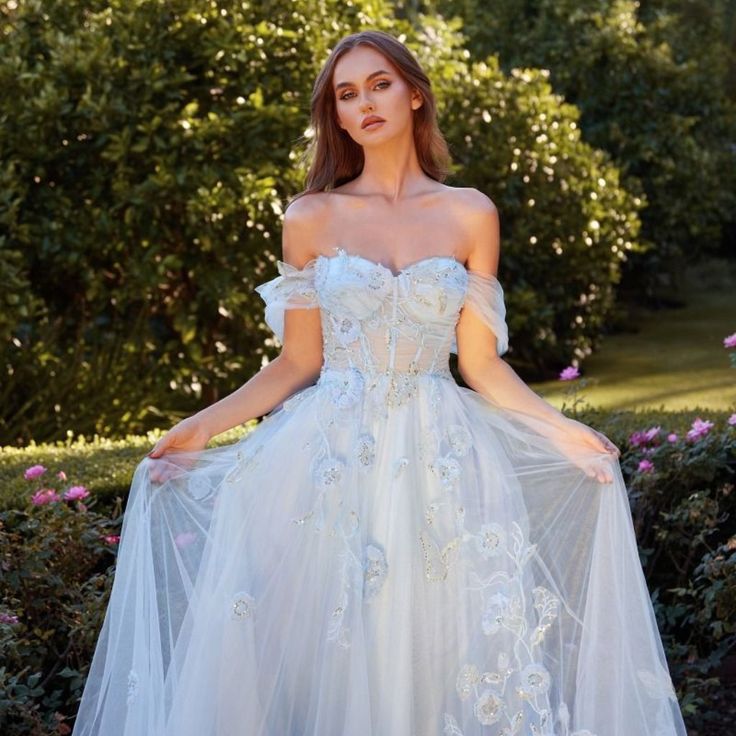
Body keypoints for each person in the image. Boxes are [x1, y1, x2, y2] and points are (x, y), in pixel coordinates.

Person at [72, 30, 688, 736]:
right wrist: (203, 426)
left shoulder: (470, 212)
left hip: (441, 460)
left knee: (434, 646)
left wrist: (564, 431)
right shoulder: (310, 218)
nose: (363, 102)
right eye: (346, 94)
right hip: (328, 463)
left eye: (379, 84)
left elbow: (480, 365)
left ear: (414, 93)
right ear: (334, 116)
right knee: (334, 650)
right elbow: (298, 363)